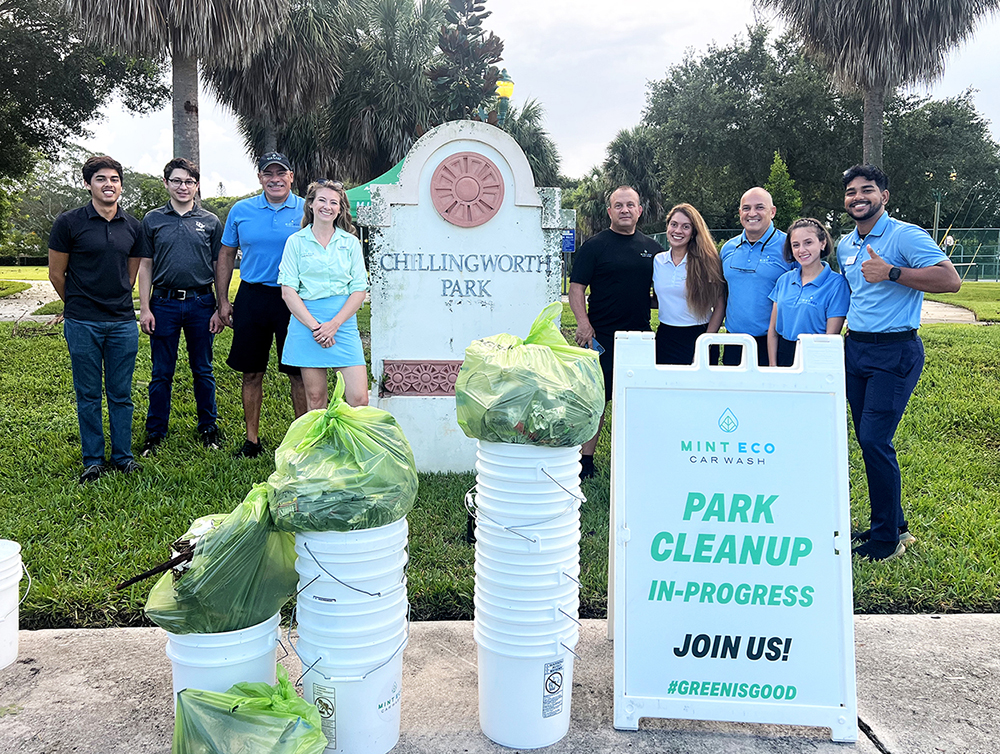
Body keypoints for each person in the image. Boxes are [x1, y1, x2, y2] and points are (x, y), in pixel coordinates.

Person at [837, 164, 961, 561]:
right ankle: (894, 526)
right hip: (854, 349)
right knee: (867, 439)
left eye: (867, 190)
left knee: (875, 440)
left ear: (883, 196)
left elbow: (950, 280)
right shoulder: (845, 244)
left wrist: (891, 271)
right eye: (851, 191)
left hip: (895, 351)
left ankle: (886, 541)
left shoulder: (905, 234)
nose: (858, 197)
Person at [47, 155, 143, 483]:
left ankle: (123, 457)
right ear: (88, 184)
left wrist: (114, 298)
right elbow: (56, 273)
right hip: (82, 322)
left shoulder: (133, 226)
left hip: (121, 322)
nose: (108, 184)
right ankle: (93, 459)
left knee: (120, 393)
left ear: (120, 185)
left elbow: (130, 275)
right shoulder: (69, 223)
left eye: (114, 179)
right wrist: (77, 304)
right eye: (101, 179)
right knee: (88, 393)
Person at [215, 152, 307, 458]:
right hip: (252, 297)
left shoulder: (307, 208)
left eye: (281, 173)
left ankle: (302, 442)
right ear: (260, 179)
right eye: (269, 174)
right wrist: (223, 300)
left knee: (298, 373)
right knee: (251, 372)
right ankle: (252, 441)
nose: (275, 179)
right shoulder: (242, 210)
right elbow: (226, 255)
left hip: (294, 298)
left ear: (291, 176)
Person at [569, 186, 660, 479]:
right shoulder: (594, 247)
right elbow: (576, 289)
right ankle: (586, 460)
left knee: (636, 401)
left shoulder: (653, 249)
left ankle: (636, 457)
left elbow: (663, 292)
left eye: (630, 205)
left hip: (640, 338)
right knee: (598, 400)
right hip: (601, 337)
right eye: (618, 205)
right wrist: (583, 324)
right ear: (609, 211)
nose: (624, 210)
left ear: (639, 211)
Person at [137, 158, 224, 455]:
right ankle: (155, 432)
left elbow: (218, 266)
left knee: (203, 369)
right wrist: (145, 307)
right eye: (176, 181)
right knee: (161, 372)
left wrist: (219, 305)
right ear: (166, 183)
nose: (182, 187)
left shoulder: (211, 221)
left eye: (188, 181)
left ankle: (209, 427)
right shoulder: (152, 220)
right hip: (164, 304)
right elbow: (145, 265)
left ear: (197, 185)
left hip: (202, 303)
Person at [278, 180, 369, 410]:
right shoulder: (295, 242)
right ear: (310, 204)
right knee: (316, 399)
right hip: (307, 323)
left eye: (333, 202)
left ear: (340, 208)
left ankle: (352, 446)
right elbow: (288, 291)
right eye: (322, 200)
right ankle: (320, 447)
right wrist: (316, 328)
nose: (327, 206)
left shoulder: (350, 243)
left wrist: (334, 325)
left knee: (359, 399)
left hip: (343, 322)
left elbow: (359, 289)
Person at [719, 187, 793, 365]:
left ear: (772, 211)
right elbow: (722, 294)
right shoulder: (728, 249)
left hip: (773, 343)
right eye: (746, 208)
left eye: (760, 207)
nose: (752, 213)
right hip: (734, 343)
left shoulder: (790, 247)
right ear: (740, 213)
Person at [766, 218, 850, 367]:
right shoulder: (784, 280)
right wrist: (773, 366)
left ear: (822, 243)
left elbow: (830, 337)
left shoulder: (837, 284)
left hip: (815, 357)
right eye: (796, 245)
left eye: (808, 243)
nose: (802, 250)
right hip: (783, 354)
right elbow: (773, 331)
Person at [653, 203, 726, 365]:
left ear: (693, 232)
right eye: (674, 224)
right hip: (665, 337)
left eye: (686, 227)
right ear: (667, 227)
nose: (678, 231)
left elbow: (720, 306)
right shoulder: (658, 261)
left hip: (699, 336)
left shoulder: (707, 262)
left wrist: (706, 342)